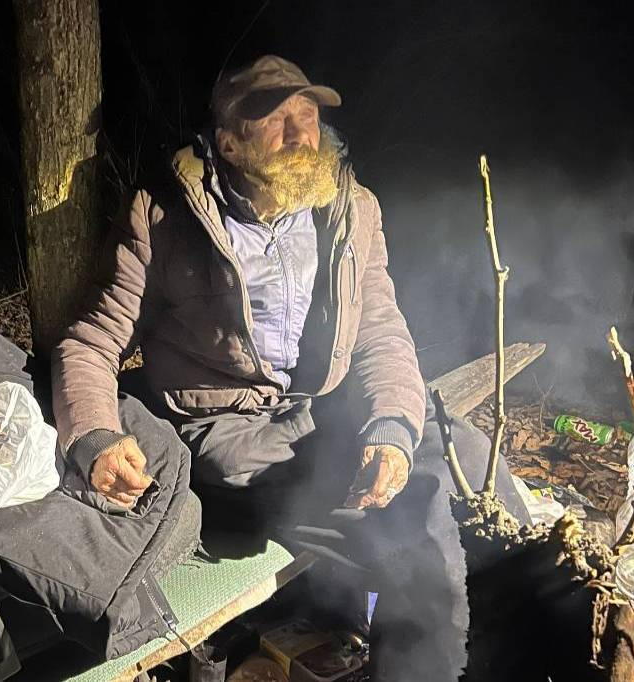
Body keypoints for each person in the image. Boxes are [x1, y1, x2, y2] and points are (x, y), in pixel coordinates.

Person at [50, 55, 529, 681]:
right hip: (230, 434)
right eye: (277, 120)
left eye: (308, 115)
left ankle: (520, 647)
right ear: (229, 142)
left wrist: (391, 427)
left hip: (322, 409)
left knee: (472, 465)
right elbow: (91, 342)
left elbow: (380, 332)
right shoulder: (164, 218)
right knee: (417, 530)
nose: (303, 134)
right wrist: (94, 435)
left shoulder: (350, 209)